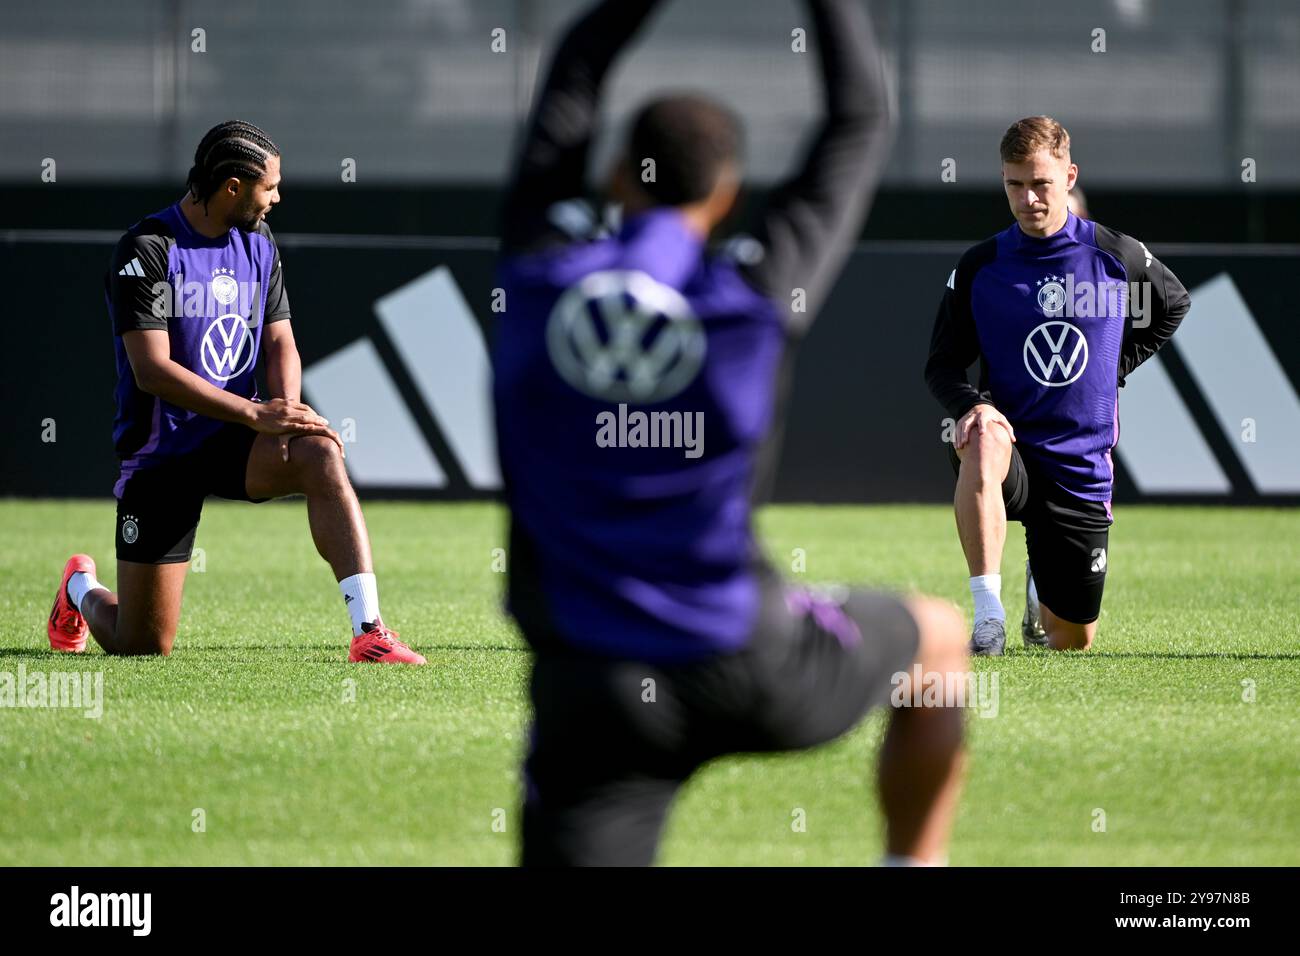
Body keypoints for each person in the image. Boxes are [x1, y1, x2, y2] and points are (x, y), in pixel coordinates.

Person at [494, 0, 967, 866]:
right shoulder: (751, 297)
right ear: (725, 195)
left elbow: (573, 74)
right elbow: (861, 119)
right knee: (939, 637)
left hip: (594, 690)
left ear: (617, 180)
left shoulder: (535, 274)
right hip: (747, 660)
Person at [47, 120, 425, 665]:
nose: (277, 197)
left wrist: (288, 409)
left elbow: (280, 343)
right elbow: (152, 370)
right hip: (162, 457)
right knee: (144, 645)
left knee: (320, 452)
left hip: (235, 439)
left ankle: (369, 631)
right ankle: (80, 589)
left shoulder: (259, 242)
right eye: (268, 186)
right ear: (232, 186)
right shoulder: (147, 249)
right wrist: (255, 411)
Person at [925, 116, 1190, 656]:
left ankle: (1038, 587)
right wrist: (972, 405)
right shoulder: (981, 267)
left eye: (1040, 183)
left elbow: (1174, 304)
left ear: (1069, 176)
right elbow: (942, 363)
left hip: (1081, 467)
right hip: (1012, 451)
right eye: (1014, 185)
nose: (1027, 198)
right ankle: (987, 615)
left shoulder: (1117, 257)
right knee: (979, 434)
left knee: (1071, 642)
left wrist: (1117, 365)